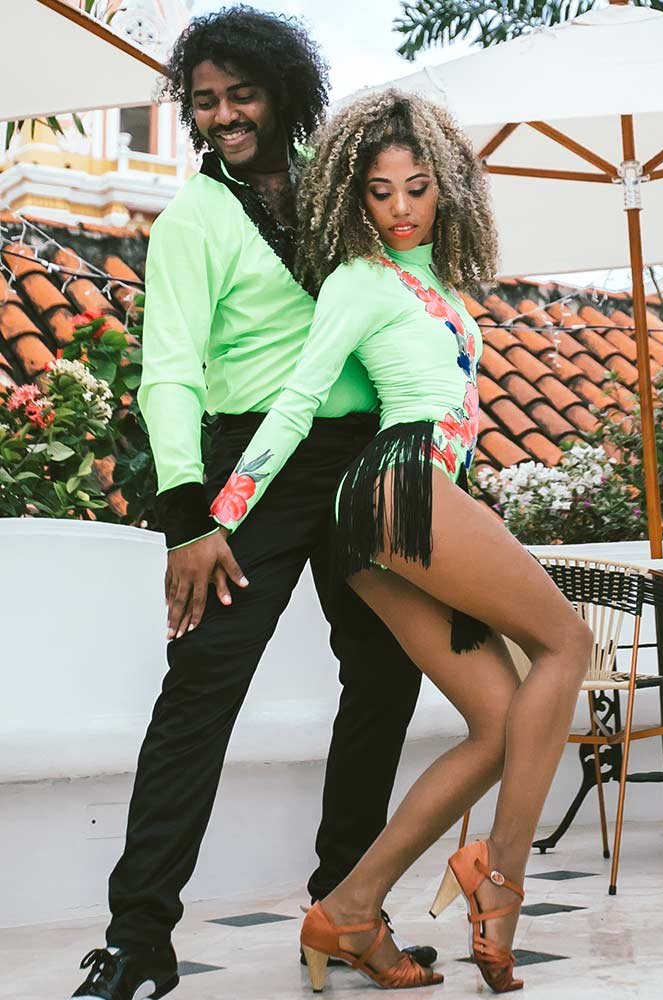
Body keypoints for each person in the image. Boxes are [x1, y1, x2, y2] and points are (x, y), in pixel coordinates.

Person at [71, 10, 435, 1000]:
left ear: (282, 89)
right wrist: (189, 518)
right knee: (202, 691)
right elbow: (170, 375)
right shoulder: (194, 217)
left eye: (242, 94)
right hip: (250, 475)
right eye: (205, 101)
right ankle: (138, 937)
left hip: (363, 460)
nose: (225, 115)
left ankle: (347, 905)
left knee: (385, 673)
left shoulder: (337, 178)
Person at [209, 89, 593, 993]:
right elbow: (299, 399)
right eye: (379, 193)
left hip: (398, 513)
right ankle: (501, 883)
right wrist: (219, 518)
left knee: (499, 723)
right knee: (567, 641)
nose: (401, 207)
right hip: (397, 485)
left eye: (416, 187)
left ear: (446, 186)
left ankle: (347, 909)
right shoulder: (358, 280)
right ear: (353, 197)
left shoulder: (448, 287)